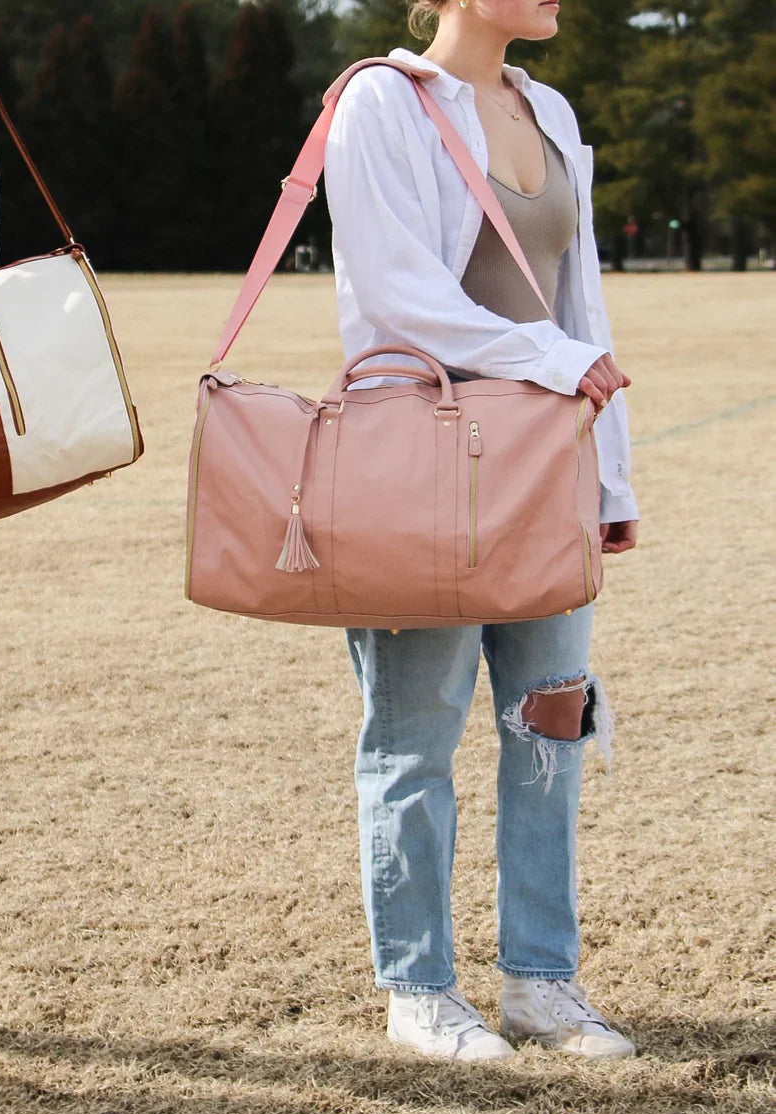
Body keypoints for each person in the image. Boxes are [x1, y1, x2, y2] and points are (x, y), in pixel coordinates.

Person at [324, 0, 639, 1060]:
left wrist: (613, 479)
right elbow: (396, 291)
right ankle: (419, 990)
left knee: (551, 727)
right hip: (422, 471)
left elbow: (580, 304)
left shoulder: (548, 108)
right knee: (413, 738)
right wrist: (553, 365)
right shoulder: (384, 102)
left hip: (547, 469)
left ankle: (541, 983)